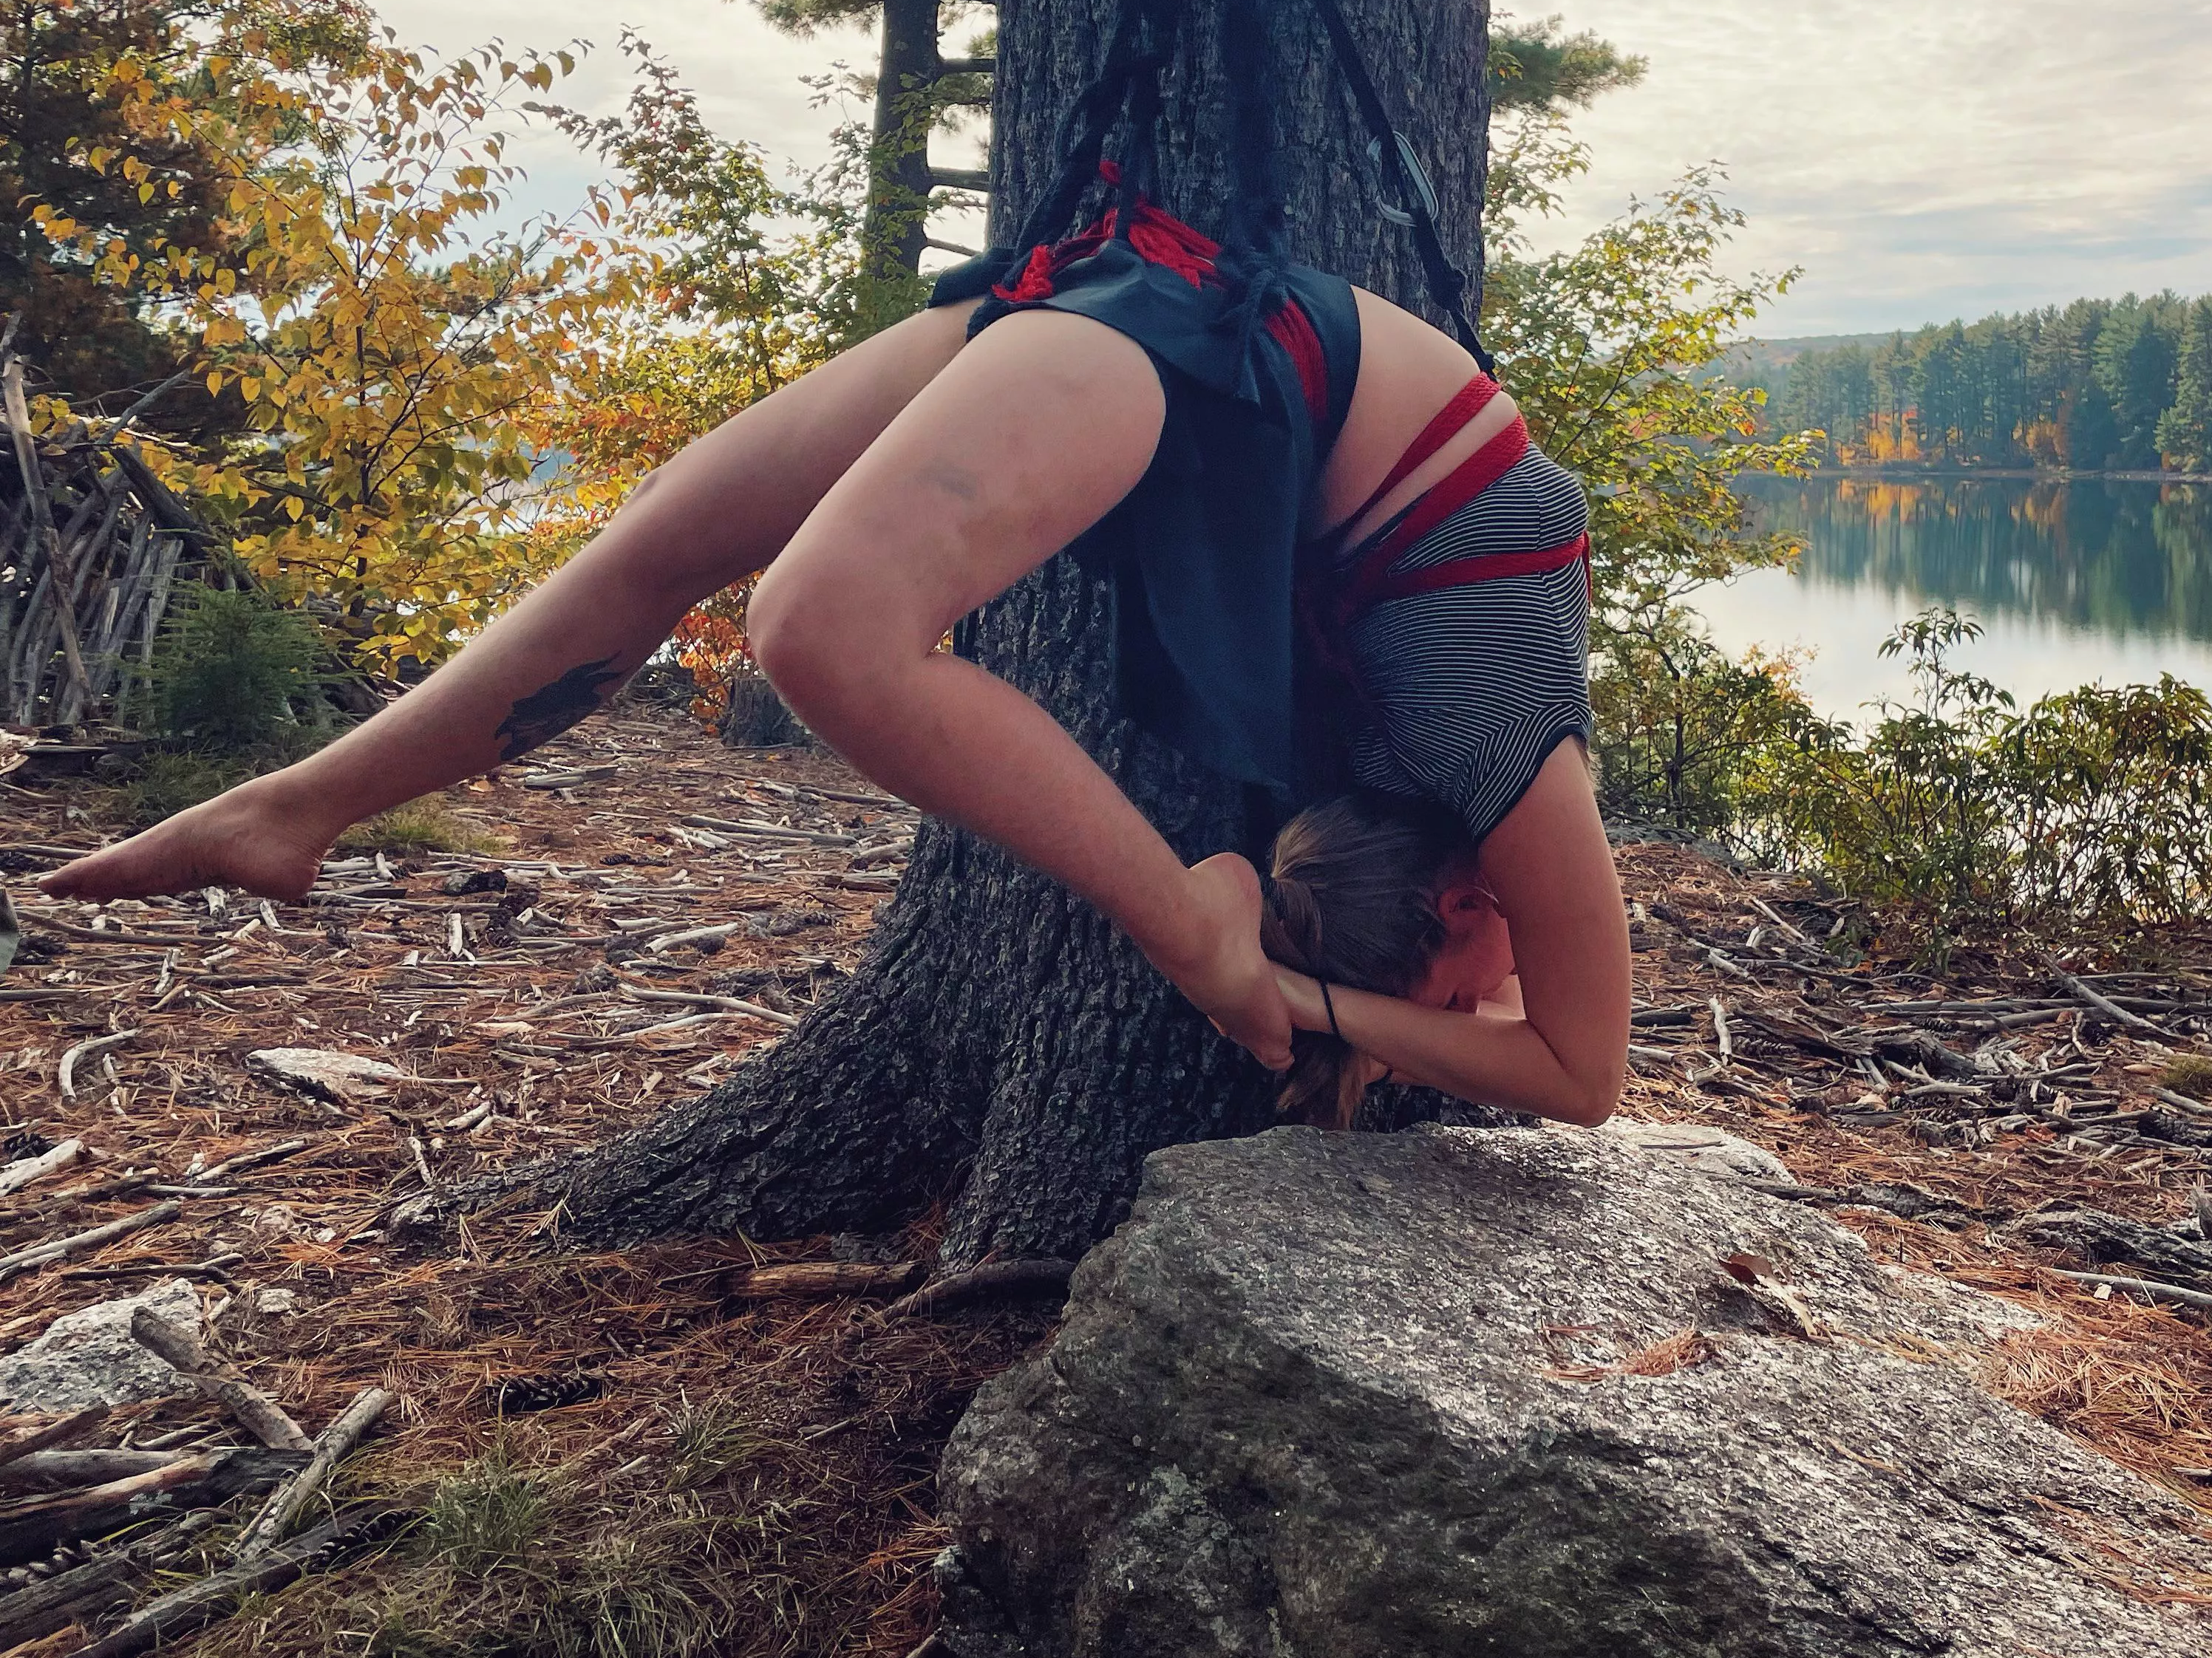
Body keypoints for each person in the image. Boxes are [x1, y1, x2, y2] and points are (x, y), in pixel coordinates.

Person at [38, 183, 1633, 1130]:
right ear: (1463, 900)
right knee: (816, 629)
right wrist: (1260, 974)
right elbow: (1581, 1074)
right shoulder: (1504, 745)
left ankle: (295, 809)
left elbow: (1522, 1041)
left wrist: (1345, 1009)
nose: (1500, 995)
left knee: (662, 554)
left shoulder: (1385, 793)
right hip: (1191, 357)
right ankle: (1187, 925)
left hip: (1137, 327)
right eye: (1479, 980)